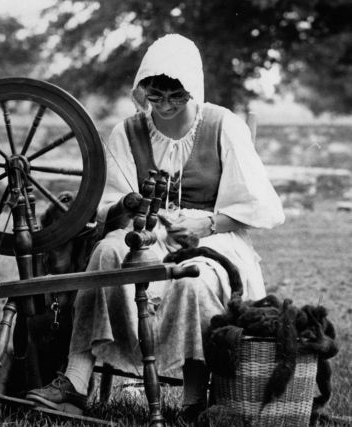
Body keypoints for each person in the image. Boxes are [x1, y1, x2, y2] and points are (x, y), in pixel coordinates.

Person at [26, 34, 285, 421]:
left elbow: (260, 206)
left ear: (192, 90)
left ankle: (194, 396)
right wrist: (130, 207)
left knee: (194, 278)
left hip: (214, 234)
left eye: (175, 96)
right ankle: (76, 378)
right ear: (142, 89)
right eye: (155, 95)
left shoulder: (222, 125)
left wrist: (206, 222)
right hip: (145, 230)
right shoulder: (127, 132)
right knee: (107, 252)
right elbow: (107, 208)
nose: (164, 105)